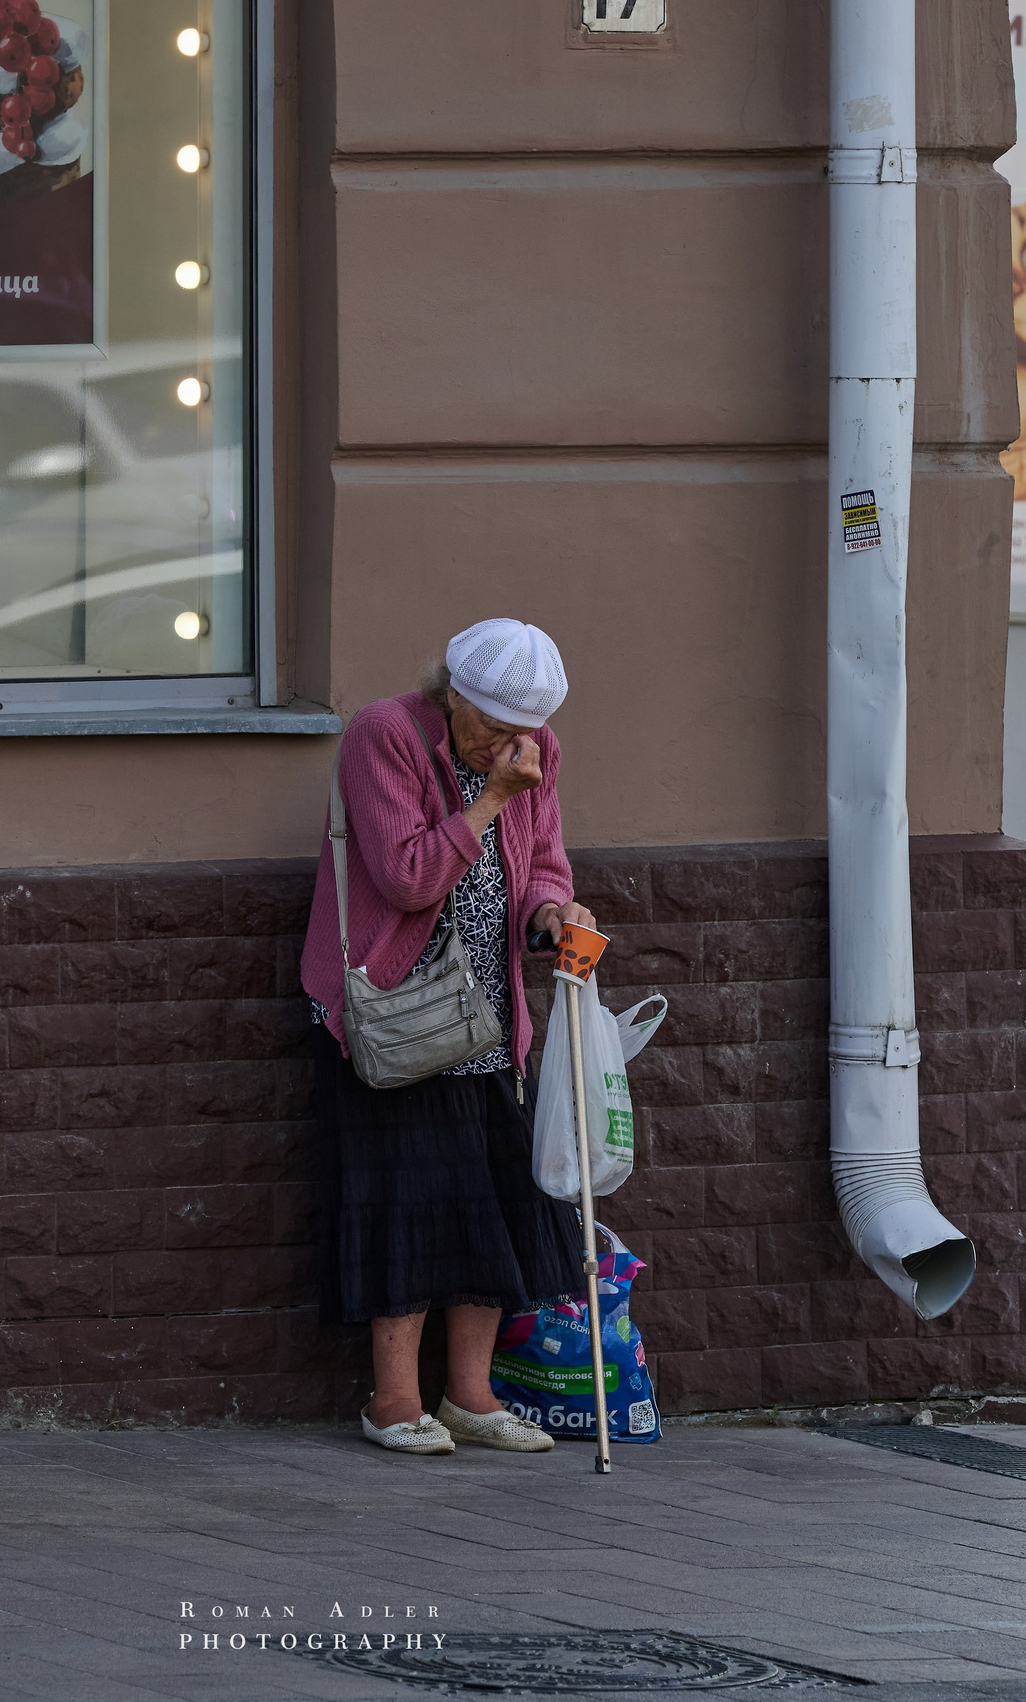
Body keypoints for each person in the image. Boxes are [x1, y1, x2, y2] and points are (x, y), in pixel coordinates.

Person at [302, 619, 598, 1456]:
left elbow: (544, 860)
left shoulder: (538, 751)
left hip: (491, 1013)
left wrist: (552, 910)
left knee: (492, 1201)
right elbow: (405, 877)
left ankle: (472, 1395)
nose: (510, 747)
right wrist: (494, 795)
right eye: (492, 730)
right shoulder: (385, 736)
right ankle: (393, 1398)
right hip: (394, 1006)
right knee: (405, 1200)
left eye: (524, 734)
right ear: (452, 695)